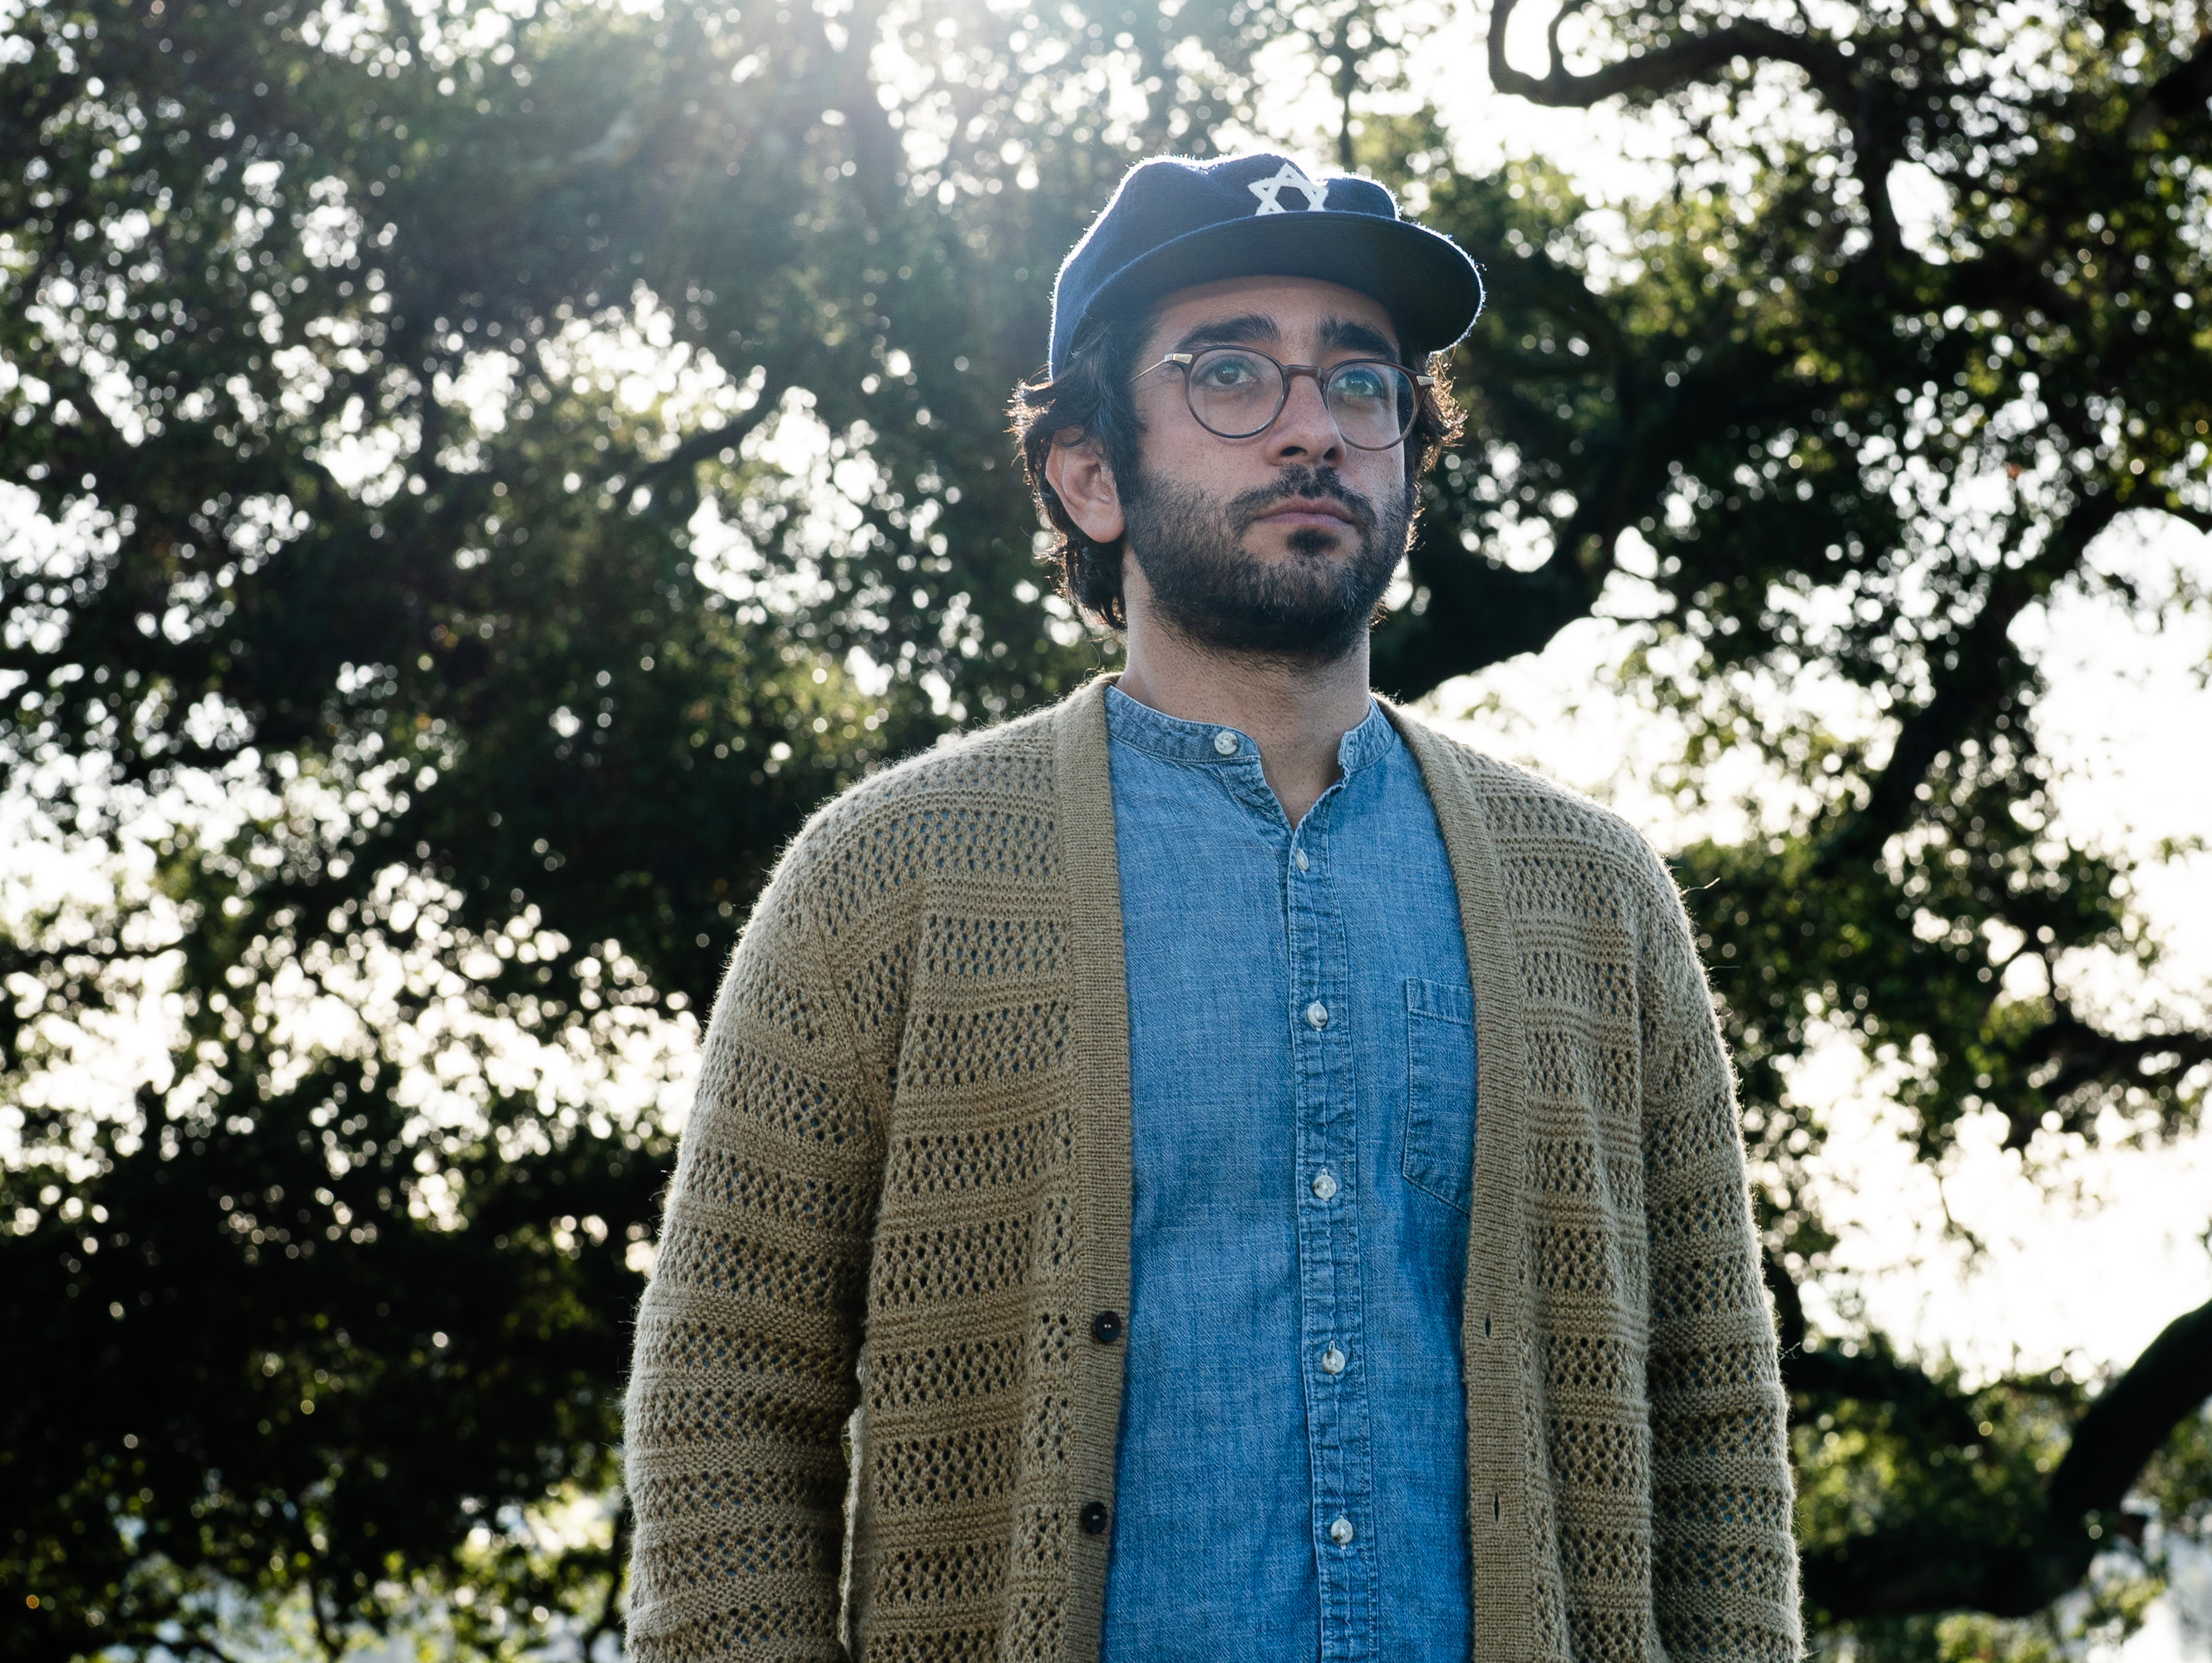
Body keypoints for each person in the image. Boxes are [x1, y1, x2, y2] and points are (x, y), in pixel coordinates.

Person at [623, 152, 1802, 1663]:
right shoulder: (888, 881)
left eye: (1360, 382)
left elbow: (1710, 1415)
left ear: (1407, 465)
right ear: (1092, 475)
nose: (1313, 425)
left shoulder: (1594, 897)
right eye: (1232, 373)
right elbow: (728, 1393)